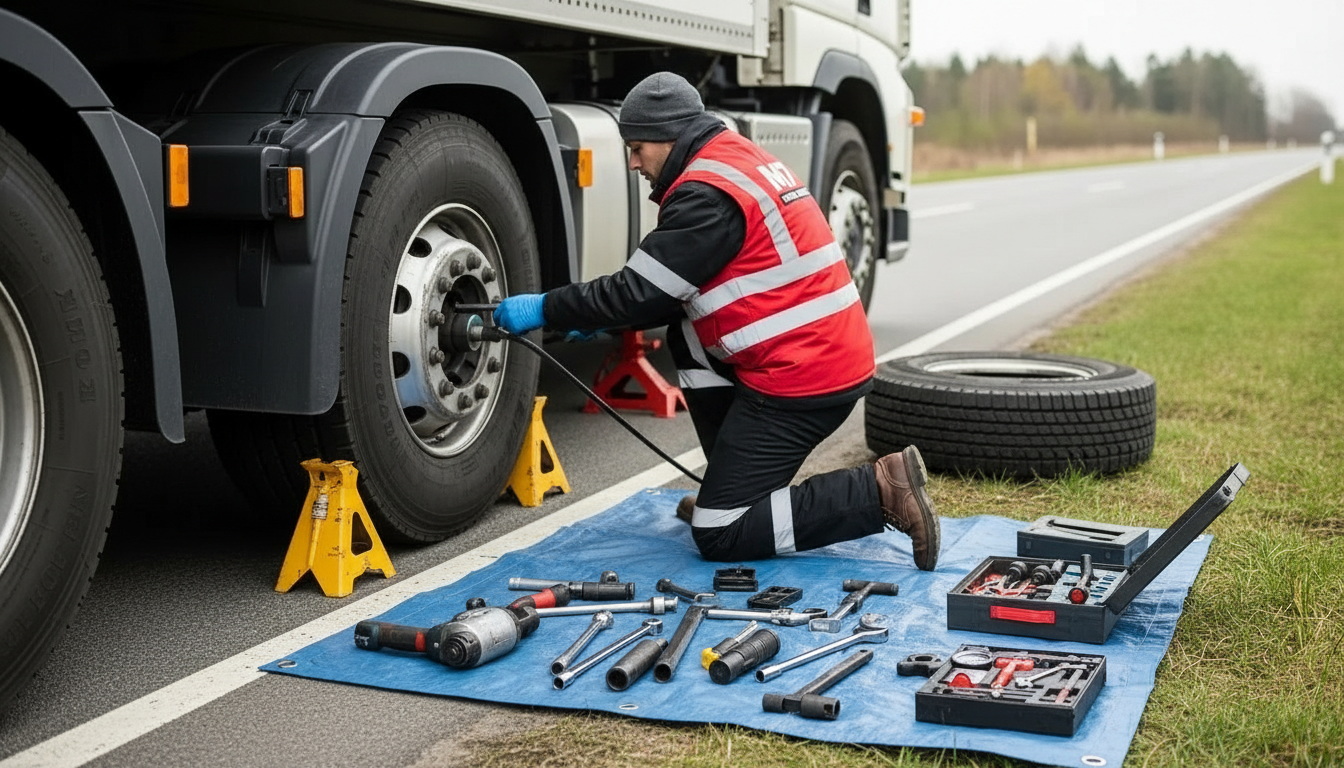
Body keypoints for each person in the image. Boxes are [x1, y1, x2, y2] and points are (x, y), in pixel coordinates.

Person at [494, 72, 941, 569]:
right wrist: (600, 317)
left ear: (670, 136)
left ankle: (880, 490)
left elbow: (637, 292)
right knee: (687, 334)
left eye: (638, 146)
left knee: (719, 533)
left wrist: (546, 307)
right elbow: (668, 291)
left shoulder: (705, 193)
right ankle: (734, 487)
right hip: (817, 355)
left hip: (804, 377)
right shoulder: (732, 159)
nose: (632, 161)